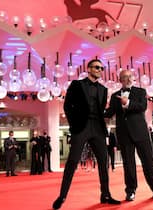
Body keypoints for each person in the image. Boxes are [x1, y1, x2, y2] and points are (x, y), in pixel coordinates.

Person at [52, 59, 120, 210]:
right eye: (96, 67)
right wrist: (73, 124)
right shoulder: (77, 84)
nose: (99, 70)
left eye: (101, 68)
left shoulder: (103, 89)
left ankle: (106, 195)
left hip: (98, 128)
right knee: (72, 162)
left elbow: (102, 110)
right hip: (81, 128)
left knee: (104, 162)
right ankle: (62, 196)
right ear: (88, 69)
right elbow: (67, 106)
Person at [104, 69, 153, 201]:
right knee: (128, 164)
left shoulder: (140, 92)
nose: (128, 79)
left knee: (148, 162)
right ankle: (130, 191)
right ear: (120, 80)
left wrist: (127, 103)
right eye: (125, 77)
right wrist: (95, 110)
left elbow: (142, 107)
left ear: (133, 78)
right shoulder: (114, 96)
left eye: (130, 76)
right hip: (124, 134)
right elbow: (109, 113)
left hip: (141, 132)